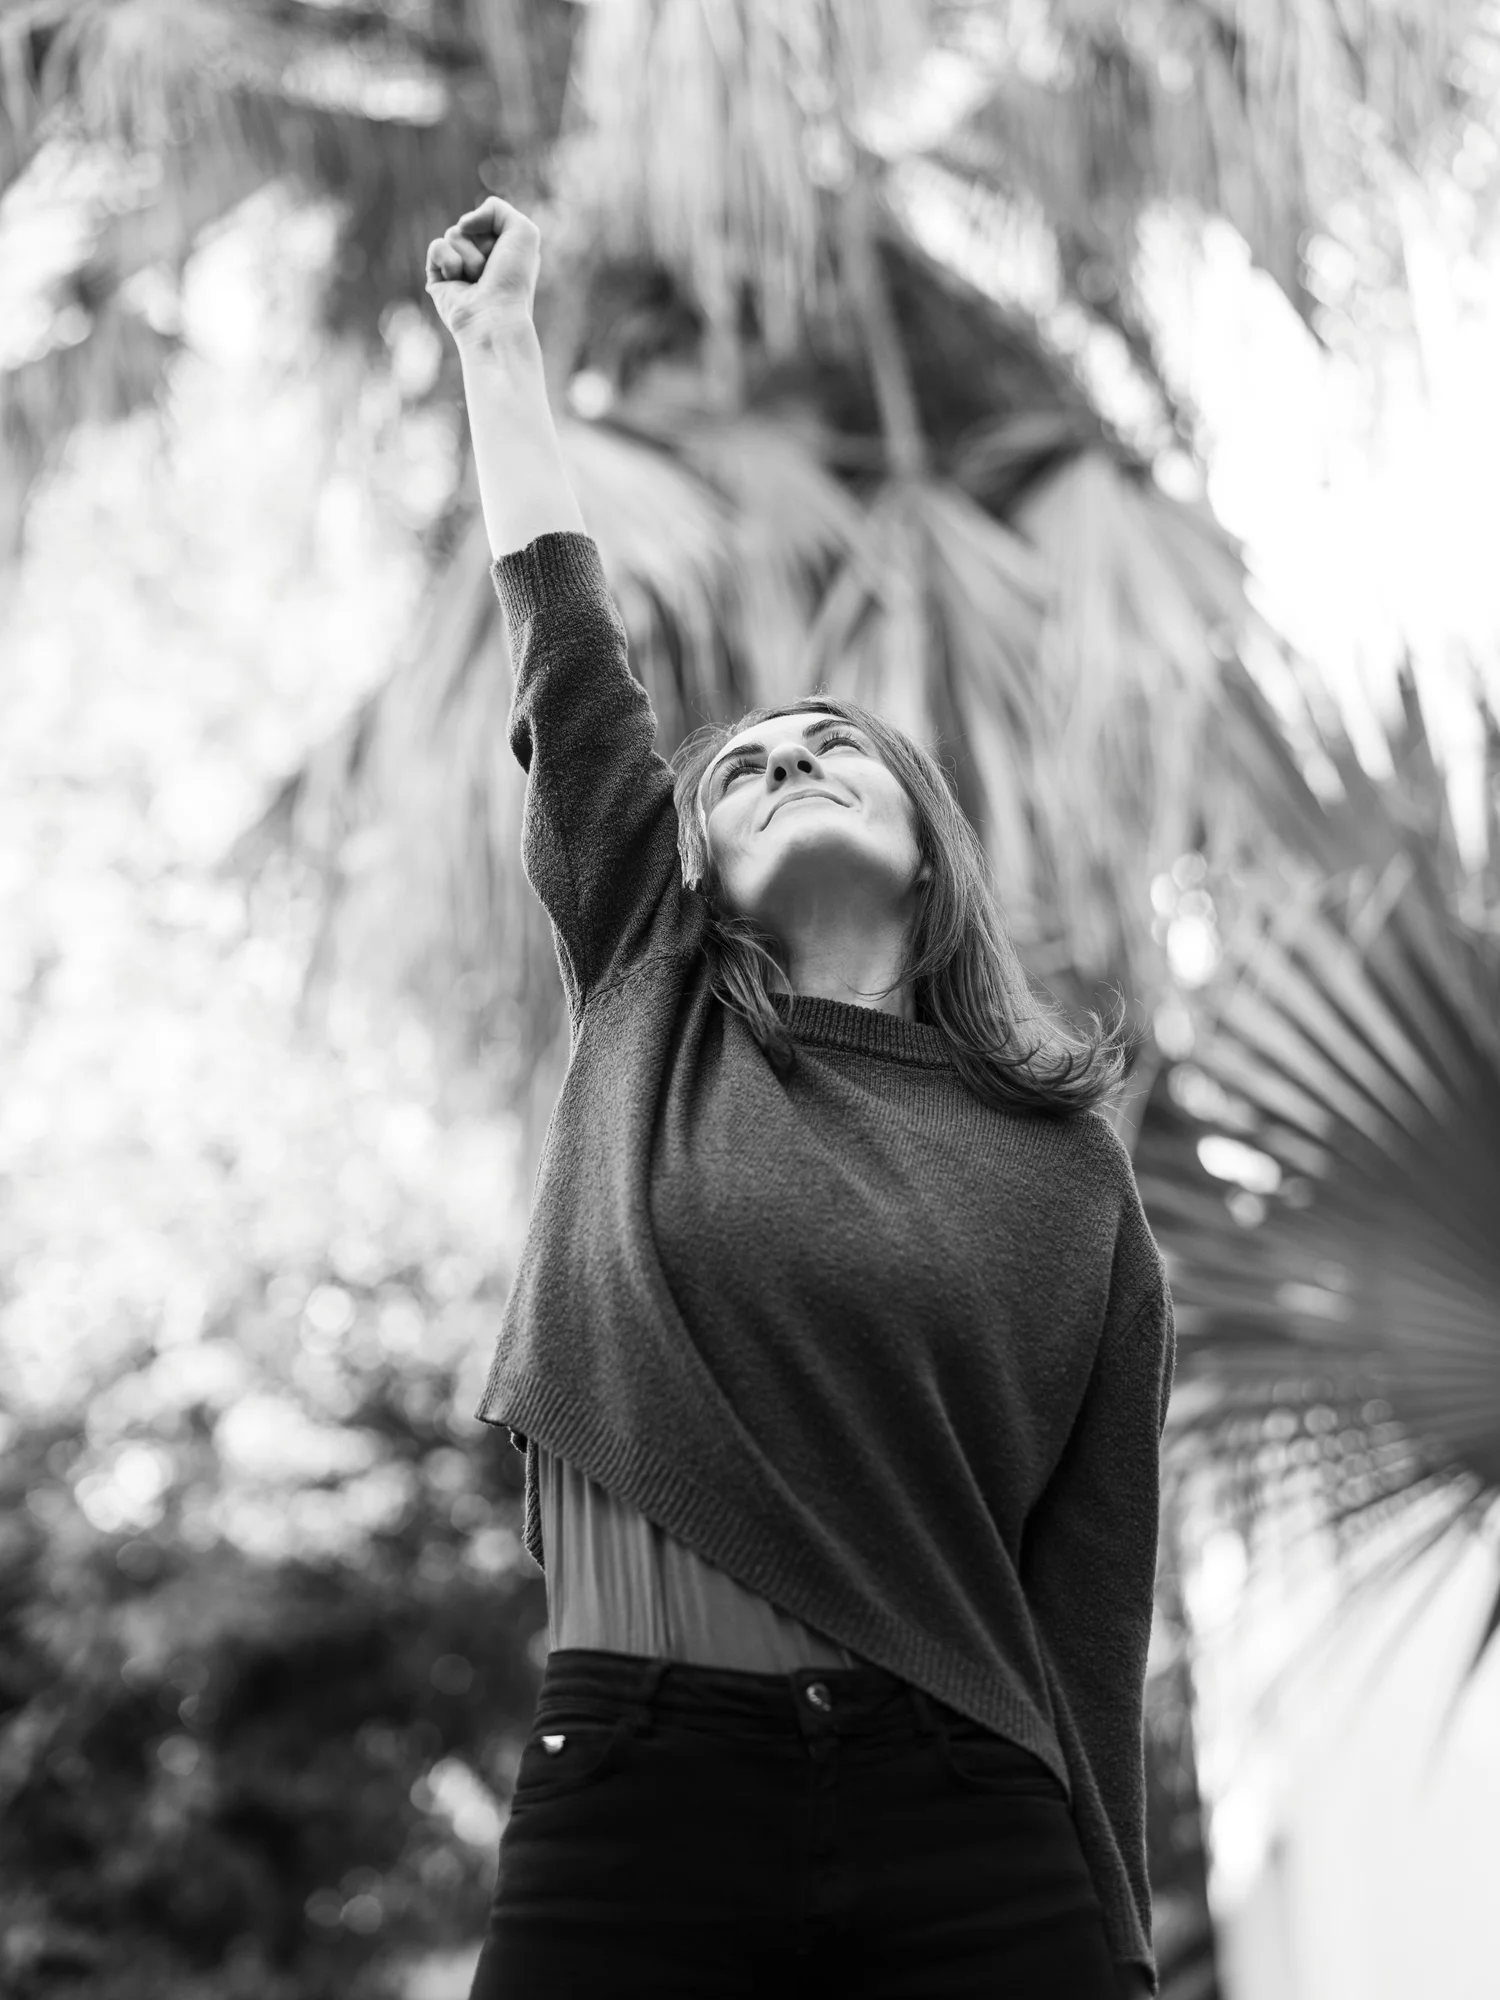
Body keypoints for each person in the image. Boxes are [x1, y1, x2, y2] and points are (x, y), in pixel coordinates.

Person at [425, 195, 1173, 2000]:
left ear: (927, 850)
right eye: (742, 767)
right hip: (639, 1794)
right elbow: (574, 678)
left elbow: (1085, 1609)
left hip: (970, 1820)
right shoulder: (649, 995)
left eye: (834, 747)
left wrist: (1114, 1933)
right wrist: (499, 353)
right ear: (684, 865)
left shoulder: (1068, 1175)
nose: (782, 759)